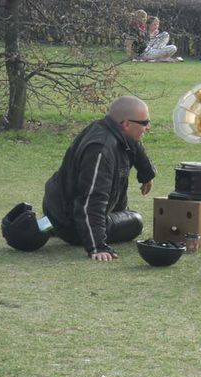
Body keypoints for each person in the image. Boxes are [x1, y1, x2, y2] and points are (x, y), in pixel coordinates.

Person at [42, 96, 156, 262]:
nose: (148, 127)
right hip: (72, 222)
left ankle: (51, 226)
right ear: (126, 124)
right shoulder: (101, 150)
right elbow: (91, 199)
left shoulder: (113, 130)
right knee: (135, 222)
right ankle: (60, 229)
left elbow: (134, 145)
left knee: (124, 214)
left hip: (57, 208)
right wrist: (97, 246)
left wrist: (147, 175)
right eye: (144, 123)